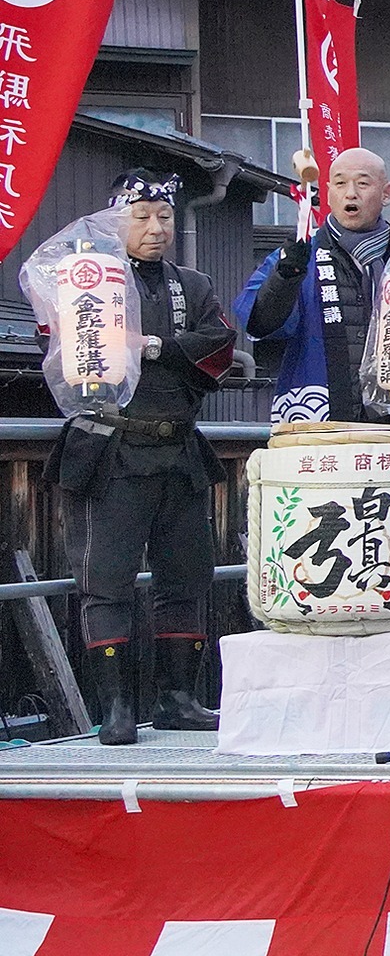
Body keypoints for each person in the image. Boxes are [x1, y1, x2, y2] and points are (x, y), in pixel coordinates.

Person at [51, 171, 237, 744]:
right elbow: (75, 356)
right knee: (107, 581)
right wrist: (158, 351)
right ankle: (116, 705)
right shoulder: (89, 282)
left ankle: (178, 698)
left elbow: (222, 347)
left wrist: (152, 347)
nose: (156, 229)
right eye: (142, 218)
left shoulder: (193, 283)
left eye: (164, 218)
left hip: (178, 445)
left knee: (188, 576)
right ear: (114, 221)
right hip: (112, 446)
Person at [239, 147, 390, 425]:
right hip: (319, 420)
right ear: (328, 192)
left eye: (363, 183)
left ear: (387, 193)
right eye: (340, 183)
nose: (351, 193)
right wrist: (285, 277)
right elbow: (259, 323)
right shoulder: (300, 255)